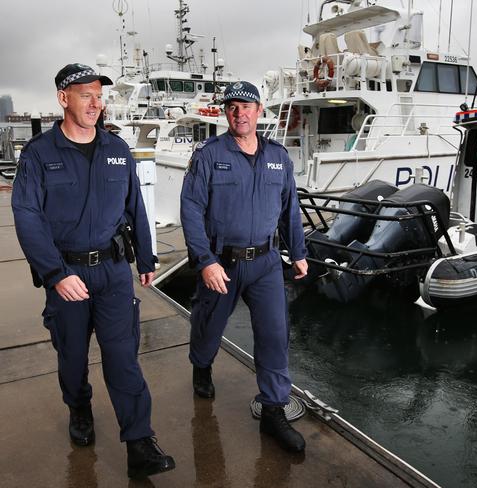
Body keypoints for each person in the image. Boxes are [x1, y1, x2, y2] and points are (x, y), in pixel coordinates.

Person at [11, 63, 175, 479]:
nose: (95, 103)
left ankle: (140, 444)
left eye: (99, 96)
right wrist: (54, 273)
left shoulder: (117, 149)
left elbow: (135, 205)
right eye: (86, 95)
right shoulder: (38, 154)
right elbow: (27, 215)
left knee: (124, 358)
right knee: (72, 358)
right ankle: (79, 405)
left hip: (114, 271)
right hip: (66, 273)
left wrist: (146, 257)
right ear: (63, 99)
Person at [180, 81, 308, 452]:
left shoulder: (278, 157)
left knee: (274, 336)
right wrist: (203, 261)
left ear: (260, 110)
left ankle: (273, 411)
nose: (240, 113)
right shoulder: (208, 154)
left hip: (266, 263)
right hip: (221, 263)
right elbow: (190, 209)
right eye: (233, 107)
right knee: (208, 327)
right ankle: (201, 366)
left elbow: (290, 209)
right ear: (226, 112)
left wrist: (298, 252)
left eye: (247, 106)